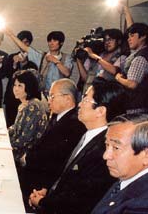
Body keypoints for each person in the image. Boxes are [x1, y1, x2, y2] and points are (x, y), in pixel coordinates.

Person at [29, 80, 126, 214]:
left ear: (100, 111)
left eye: (85, 100)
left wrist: (42, 202)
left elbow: (79, 199)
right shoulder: (87, 134)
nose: (79, 104)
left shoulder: (104, 150)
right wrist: (47, 190)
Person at [19, 79, 86, 210]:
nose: (49, 100)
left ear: (67, 99)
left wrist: (27, 159)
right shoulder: (58, 116)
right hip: (35, 174)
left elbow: (54, 158)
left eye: (52, 96)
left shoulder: (73, 124)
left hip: (41, 184)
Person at [92, 114, 148, 213]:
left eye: (116, 148)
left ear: (147, 155)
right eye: (107, 145)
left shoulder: (145, 206)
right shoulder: (128, 178)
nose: (106, 155)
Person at [7, 30, 75, 95]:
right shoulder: (42, 56)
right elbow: (25, 48)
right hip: (42, 93)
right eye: (49, 41)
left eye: (54, 41)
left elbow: (67, 73)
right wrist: (11, 35)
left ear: (61, 43)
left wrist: (56, 61)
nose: (51, 43)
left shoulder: (67, 57)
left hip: (59, 93)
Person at [8, 70, 48, 167]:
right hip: (18, 150)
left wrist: (5, 146)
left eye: (20, 86)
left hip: (25, 156)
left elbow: (25, 139)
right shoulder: (25, 104)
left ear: (29, 86)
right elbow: (16, 128)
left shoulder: (33, 106)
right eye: (15, 85)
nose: (15, 89)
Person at [115, 23, 148, 114]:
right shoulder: (143, 53)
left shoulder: (140, 57)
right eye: (128, 36)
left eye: (132, 36)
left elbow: (132, 84)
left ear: (143, 36)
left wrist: (118, 78)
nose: (129, 39)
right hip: (139, 105)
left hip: (136, 106)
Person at [3, 30, 38, 126]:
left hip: (26, 99)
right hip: (11, 97)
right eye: (21, 41)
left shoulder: (33, 59)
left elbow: (33, 78)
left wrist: (24, 63)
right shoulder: (12, 57)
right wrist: (14, 64)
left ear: (29, 43)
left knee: (23, 125)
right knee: (10, 124)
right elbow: (7, 75)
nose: (23, 44)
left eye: (26, 42)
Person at [76, 28, 126, 93]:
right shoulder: (98, 54)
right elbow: (85, 78)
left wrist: (95, 57)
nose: (107, 42)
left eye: (110, 39)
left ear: (119, 41)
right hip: (90, 93)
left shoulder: (122, 57)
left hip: (106, 95)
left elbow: (114, 71)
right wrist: (78, 59)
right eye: (105, 40)